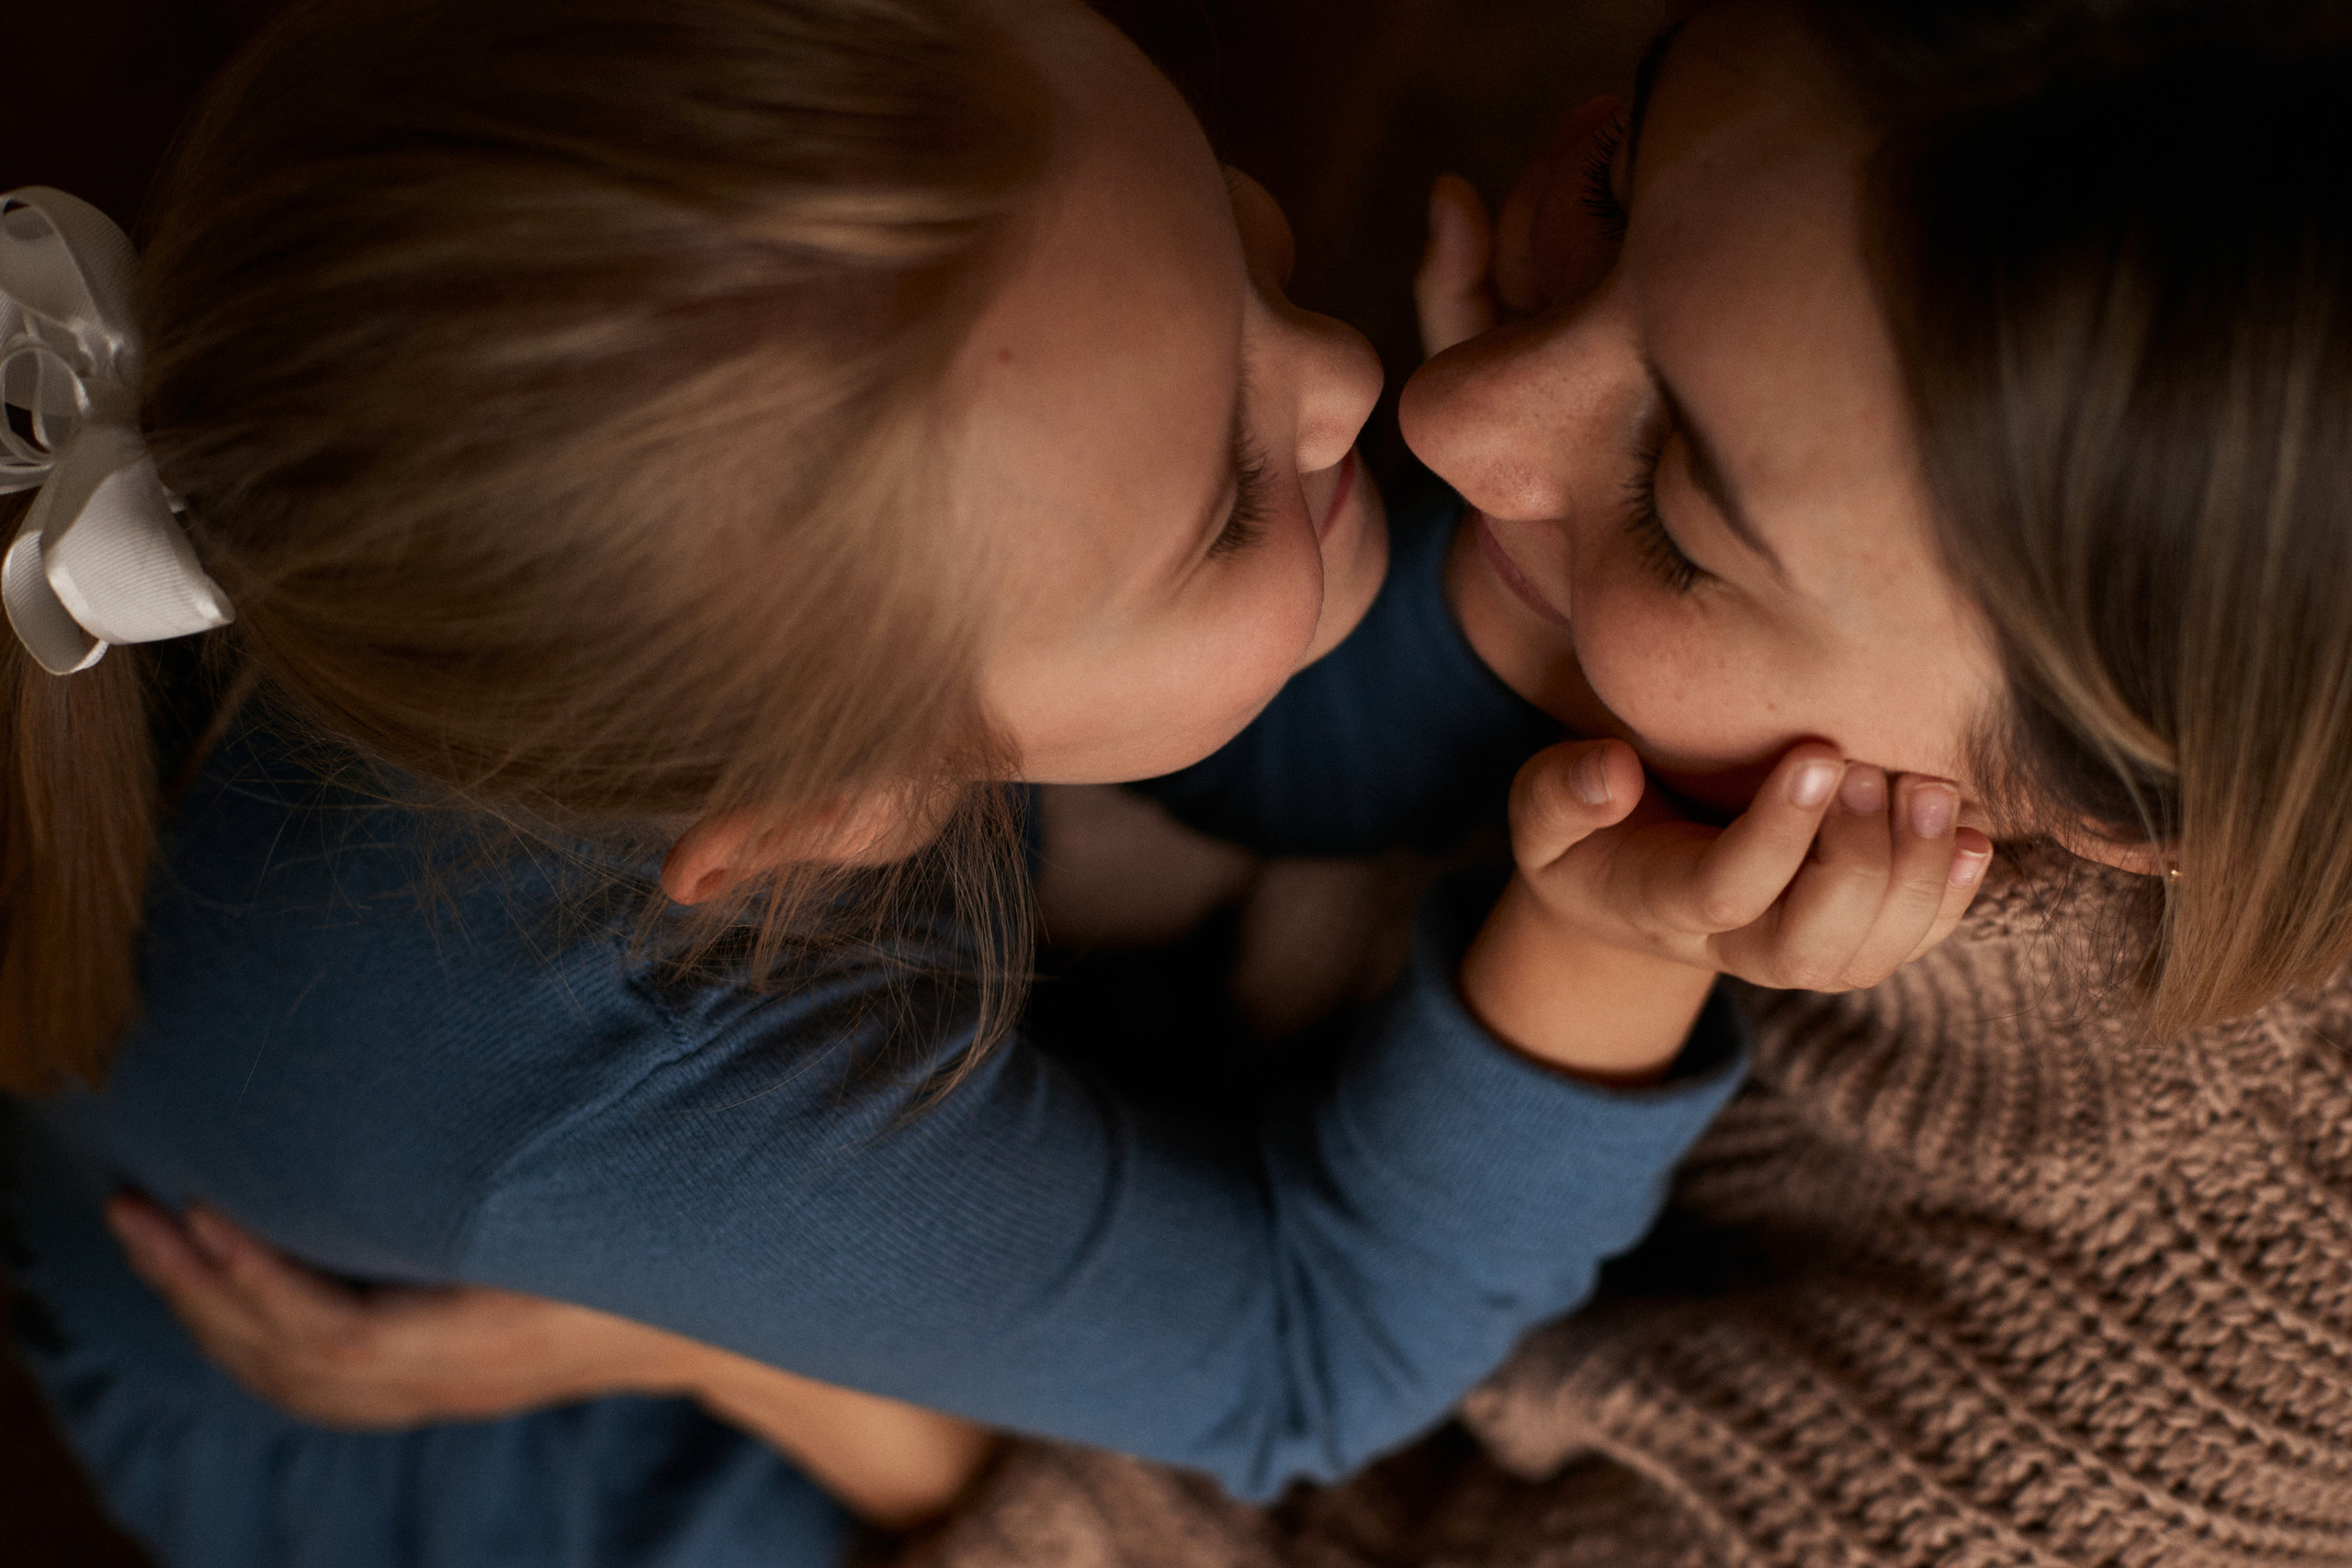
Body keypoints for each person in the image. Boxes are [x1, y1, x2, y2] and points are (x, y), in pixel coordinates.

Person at [172, 0, 2352, 1562]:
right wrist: (688, 1326)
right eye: (1613, 183)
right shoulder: (608, 1073)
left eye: (1681, 508)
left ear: (2099, 794)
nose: (1425, 401)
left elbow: (1295, 1430)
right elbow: (1292, 1337)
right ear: (842, 802)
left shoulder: (2123, 1450)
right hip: (442, 1406)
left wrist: (807, 1374)